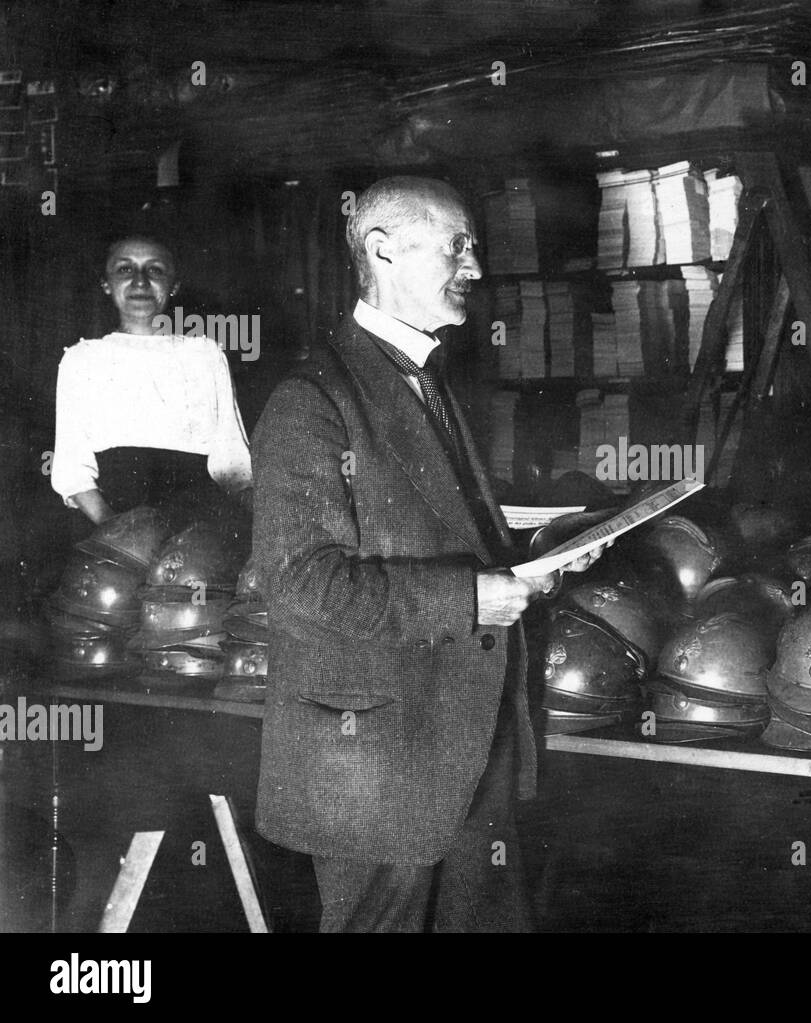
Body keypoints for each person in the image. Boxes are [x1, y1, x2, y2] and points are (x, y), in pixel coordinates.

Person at [251, 176, 604, 932]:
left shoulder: (427, 379)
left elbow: (445, 535)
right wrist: (474, 597)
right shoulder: (310, 399)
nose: (474, 266)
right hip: (376, 755)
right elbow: (300, 581)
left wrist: (542, 557)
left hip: (466, 737)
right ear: (382, 250)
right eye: (457, 246)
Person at [51, 236, 252, 524]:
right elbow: (72, 468)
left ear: (174, 285)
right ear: (106, 283)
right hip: (110, 522)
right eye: (125, 269)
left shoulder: (205, 354)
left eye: (155, 270)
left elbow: (232, 461)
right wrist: (117, 531)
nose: (141, 282)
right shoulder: (82, 358)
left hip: (198, 524)